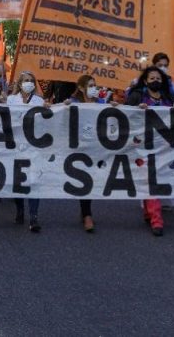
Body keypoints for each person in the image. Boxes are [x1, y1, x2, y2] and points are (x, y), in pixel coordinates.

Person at [127, 66, 174, 236]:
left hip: (165, 146)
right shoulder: (137, 97)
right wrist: (136, 111)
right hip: (143, 146)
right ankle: (157, 220)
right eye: (152, 78)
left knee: (152, 180)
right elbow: (127, 117)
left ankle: (149, 212)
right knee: (150, 180)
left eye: (158, 78)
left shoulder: (170, 98)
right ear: (145, 81)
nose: (155, 81)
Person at [10, 71, 46, 233]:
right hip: (16, 146)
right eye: (26, 80)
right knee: (18, 181)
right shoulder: (11, 100)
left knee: (34, 180)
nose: (29, 83)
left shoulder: (39, 101)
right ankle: (19, 209)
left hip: (34, 146)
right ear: (19, 83)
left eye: (31, 80)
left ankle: (34, 216)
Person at [66, 74, 101, 232]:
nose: (94, 88)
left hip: (97, 147)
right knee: (85, 179)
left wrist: (115, 107)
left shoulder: (100, 102)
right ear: (81, 88)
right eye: (90, 85)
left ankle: (86, 210)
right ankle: (87, 215)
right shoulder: (73, 103)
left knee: (93, 179)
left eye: (95, 85)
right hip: (80, 147)